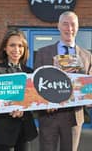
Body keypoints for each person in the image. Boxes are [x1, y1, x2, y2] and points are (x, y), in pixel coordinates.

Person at [34, 11, 92, 151]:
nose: (69, 28)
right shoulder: (43, 53)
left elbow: (89, 86)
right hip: (49, 116)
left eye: (73, 24)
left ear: (78, 27)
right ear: (58, 26)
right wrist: (45, 101)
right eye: (65, 24)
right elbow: (36, 84)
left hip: (74, 117)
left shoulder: (87, 56)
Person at [0, 28, 38, 151]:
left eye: (20, 46)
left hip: (24, 129)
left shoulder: (30, 72)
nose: (16, 49)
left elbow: (33, 99)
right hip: (3, 130)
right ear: (5, 48)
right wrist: (10, 109)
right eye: (12, 45)